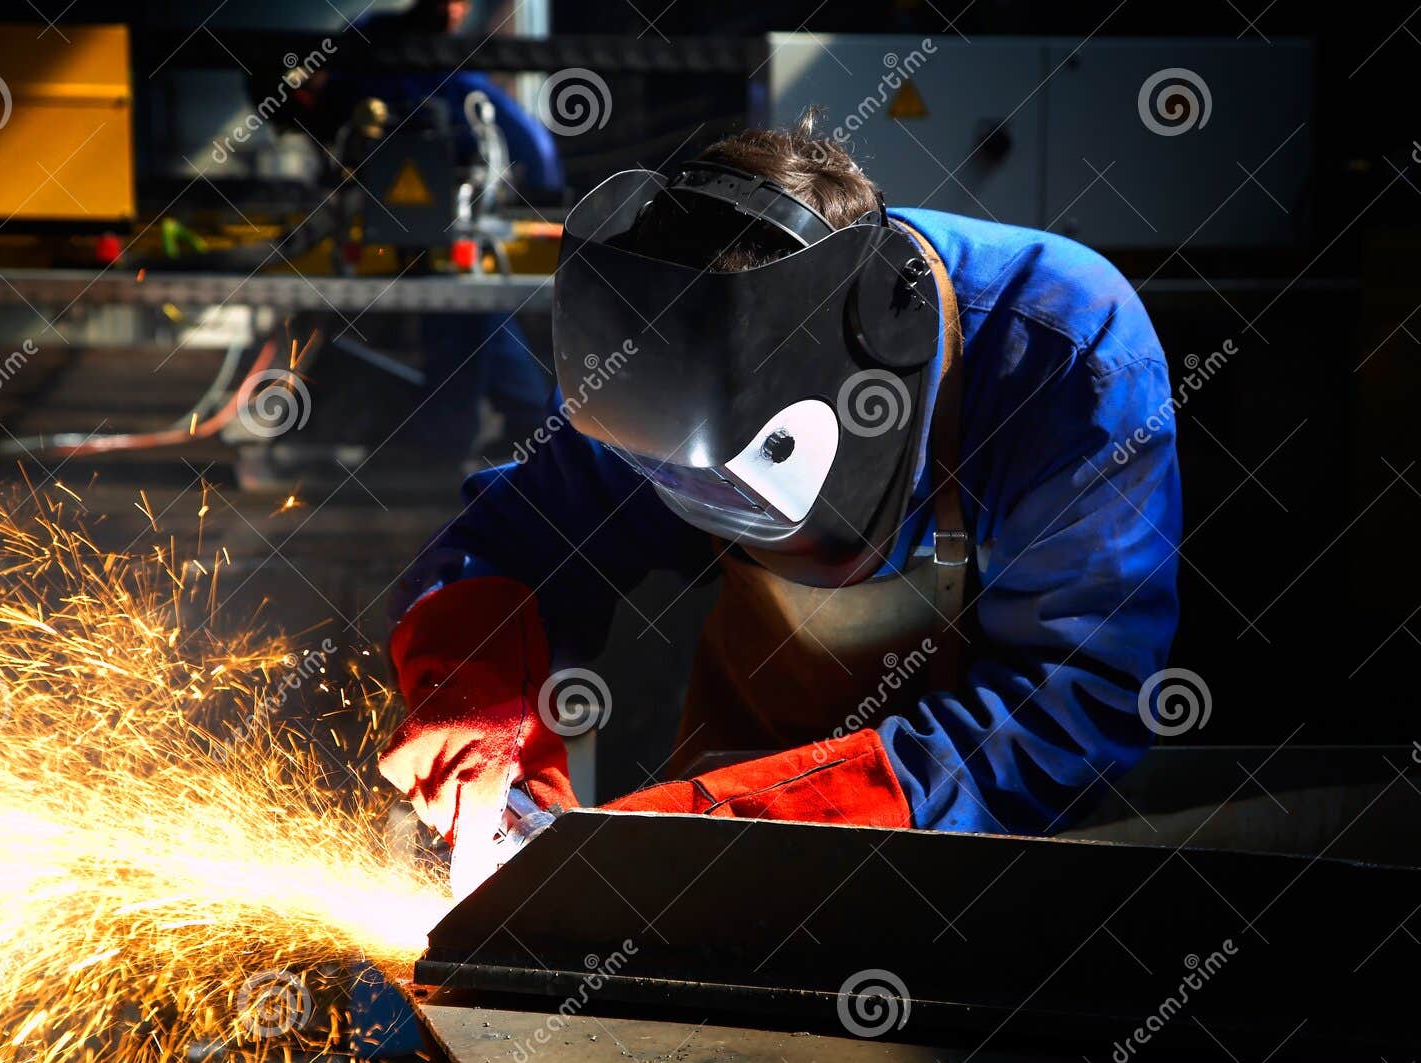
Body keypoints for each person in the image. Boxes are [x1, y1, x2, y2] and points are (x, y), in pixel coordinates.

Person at [377, 111, 1182, 853]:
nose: (714, 516)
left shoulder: (1068, 358)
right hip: (739, 784)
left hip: (1003, 864)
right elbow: (517, 540)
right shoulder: (652, 372)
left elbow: (1068, 708)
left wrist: (727, 829)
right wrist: (482, 704)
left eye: (741, 488)